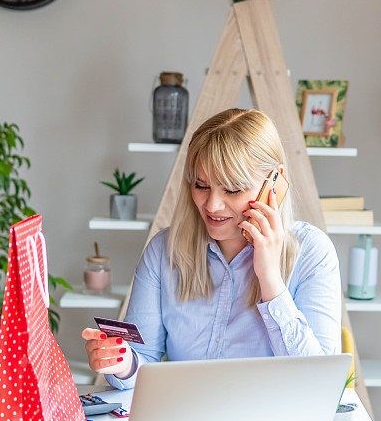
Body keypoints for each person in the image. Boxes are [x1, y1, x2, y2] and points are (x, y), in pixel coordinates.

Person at [82, 108, 341, 389]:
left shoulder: (313, 253)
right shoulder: (163, 251)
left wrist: (270, 279)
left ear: (273, 182)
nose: (212, 206)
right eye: (201, 185)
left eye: (232, 189)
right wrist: (122, 363)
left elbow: (321, 384)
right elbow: (142, 359)